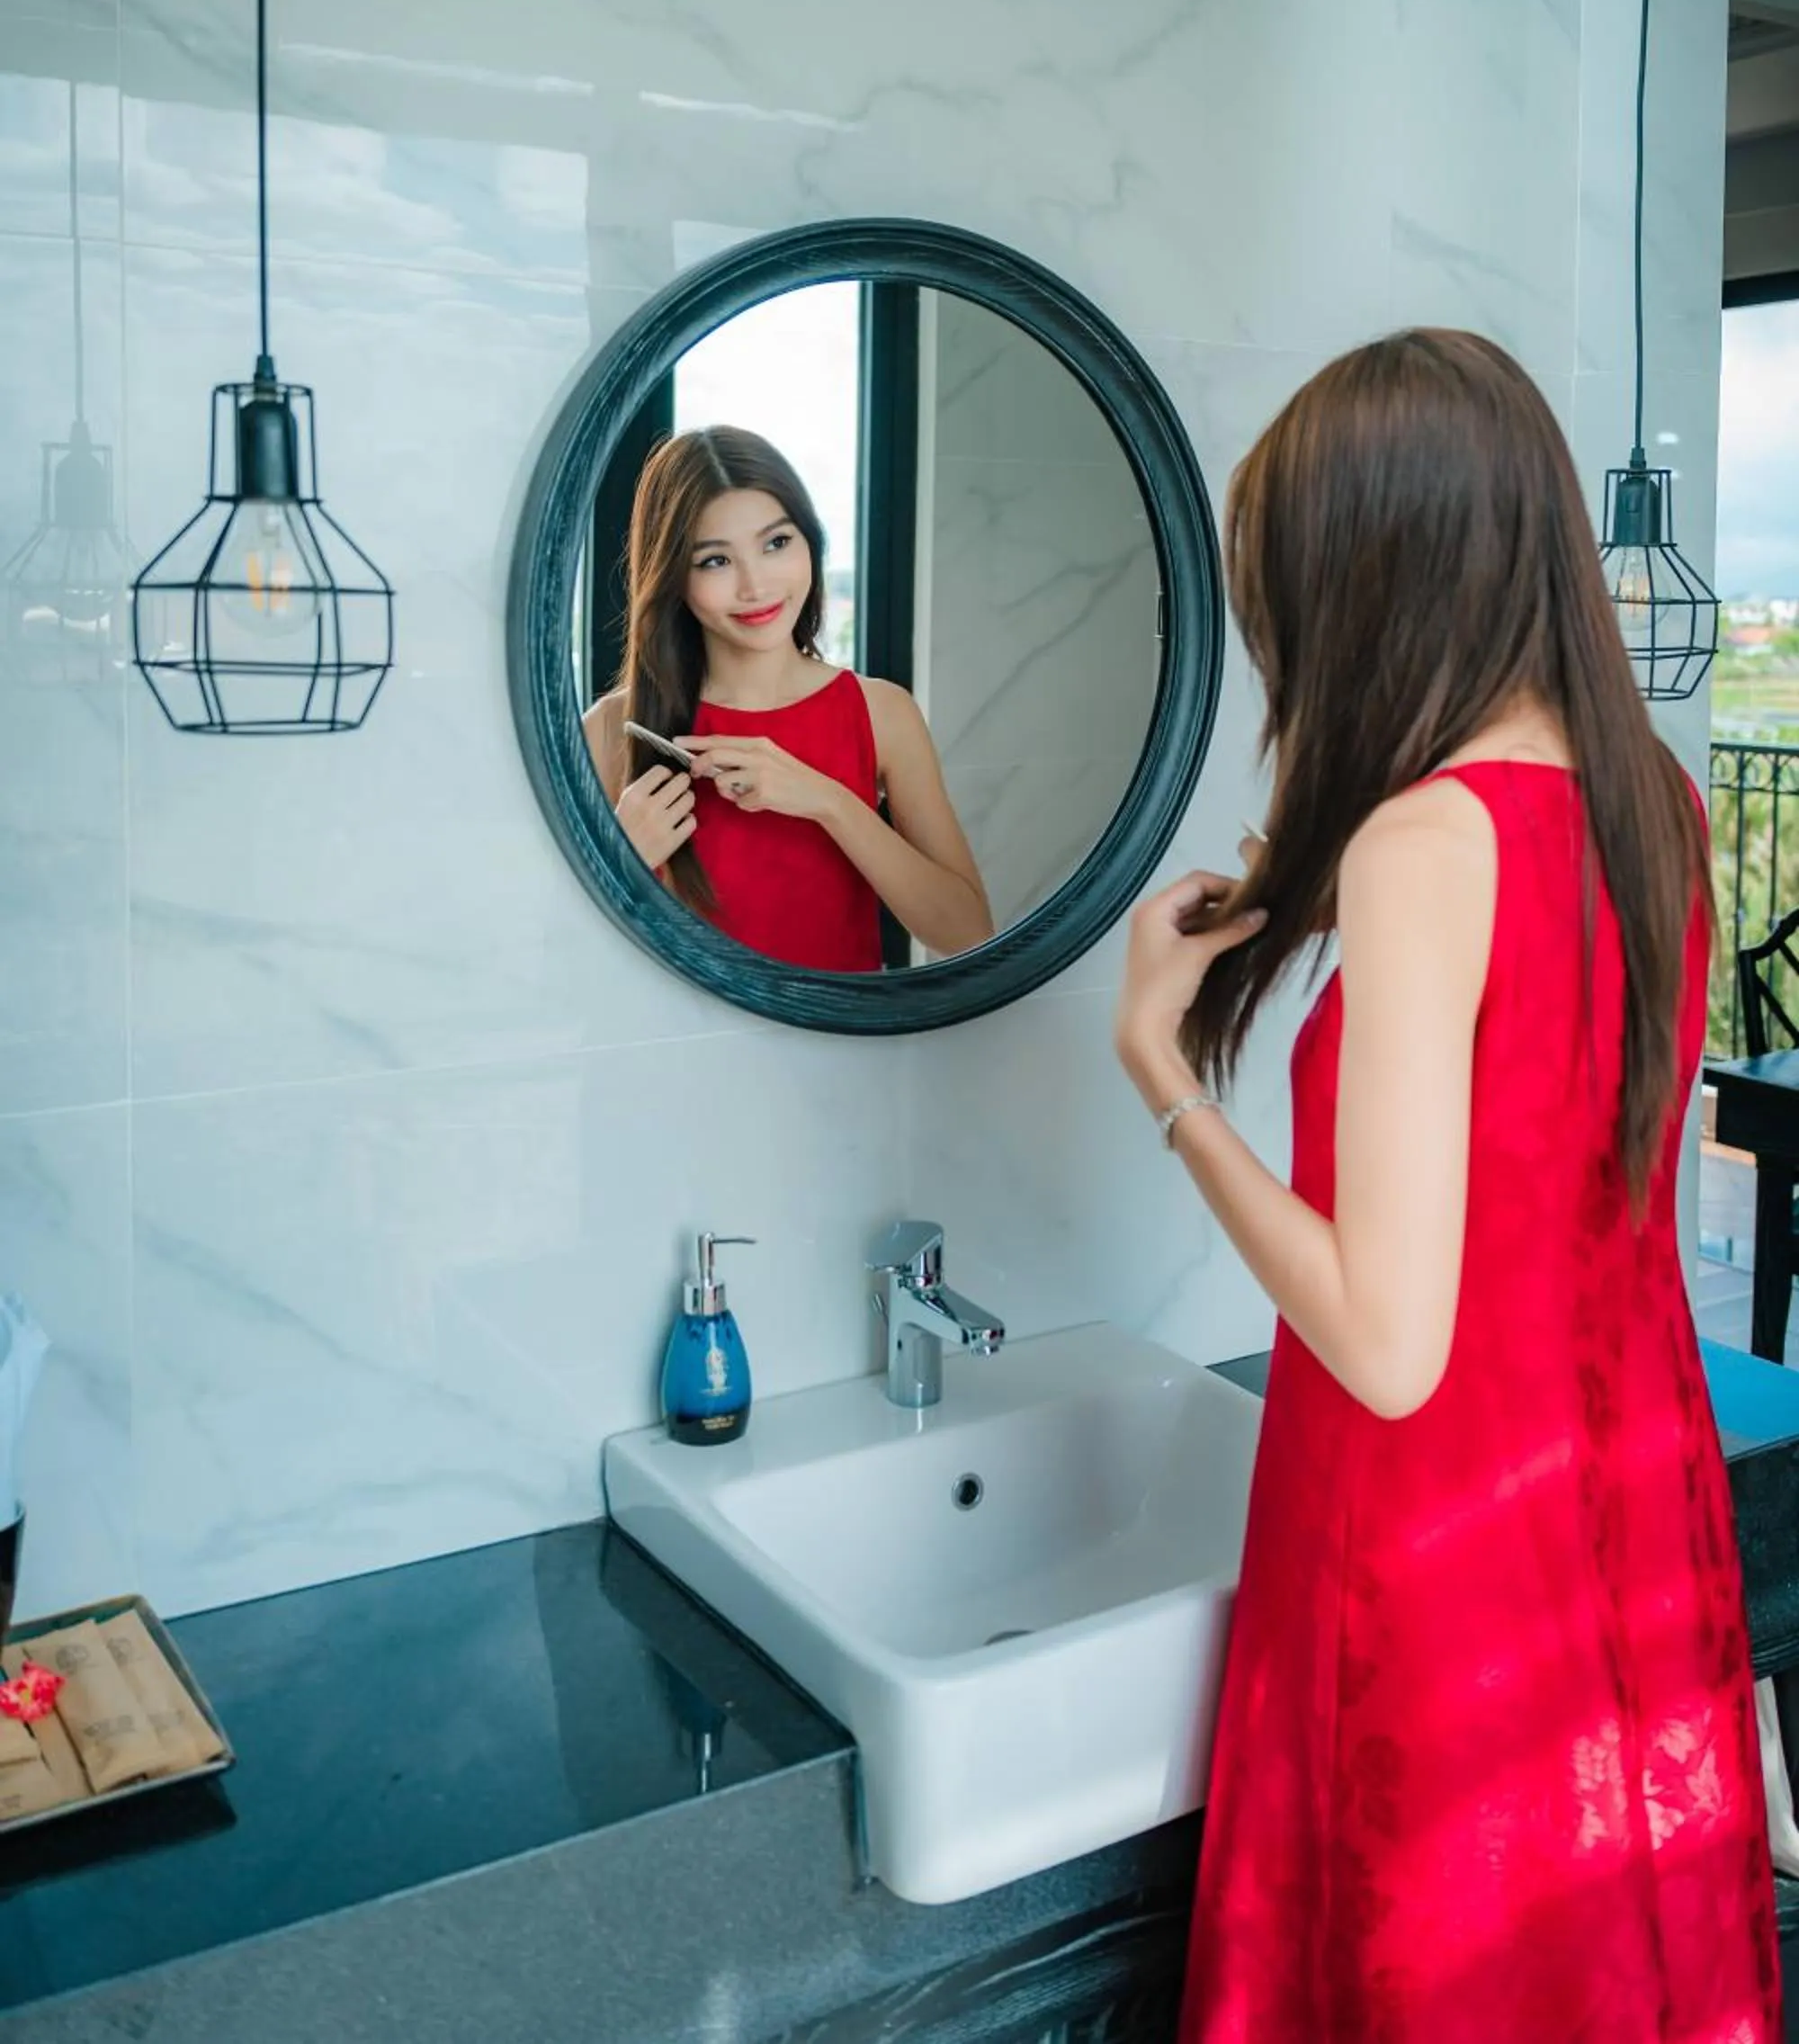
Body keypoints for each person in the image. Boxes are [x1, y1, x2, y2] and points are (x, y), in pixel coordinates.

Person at [1113, 329, 1781, 2042]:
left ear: (1379, 576)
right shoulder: (1651, 801)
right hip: (1608, 1498)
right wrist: (1306, 880)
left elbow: (1388, 1345)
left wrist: (1163, 1075)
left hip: (1432, 1544)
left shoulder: (1425, 846)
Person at [584, 425, 990, 972]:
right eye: (715, 561)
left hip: (843, 1029)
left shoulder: (882, 713)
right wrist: (620, 862)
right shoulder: (612, 727)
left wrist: (830, 802)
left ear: (810, 543)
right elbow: (551, 962)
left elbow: (968, 934)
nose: (756, 587)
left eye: (776, 543)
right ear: (673, 576)